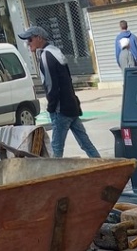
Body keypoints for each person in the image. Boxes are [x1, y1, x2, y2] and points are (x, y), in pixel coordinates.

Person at [17, 25, 101, 159]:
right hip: (71, 106)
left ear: (39, 38)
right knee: (85, 143)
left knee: (56, 149)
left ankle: (55, 177)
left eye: (30, 39)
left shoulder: (46, 56)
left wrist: (51, 107)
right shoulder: (56, 52)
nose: (28, 43)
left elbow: (51, 85)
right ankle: (102, 166)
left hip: (60, 110)